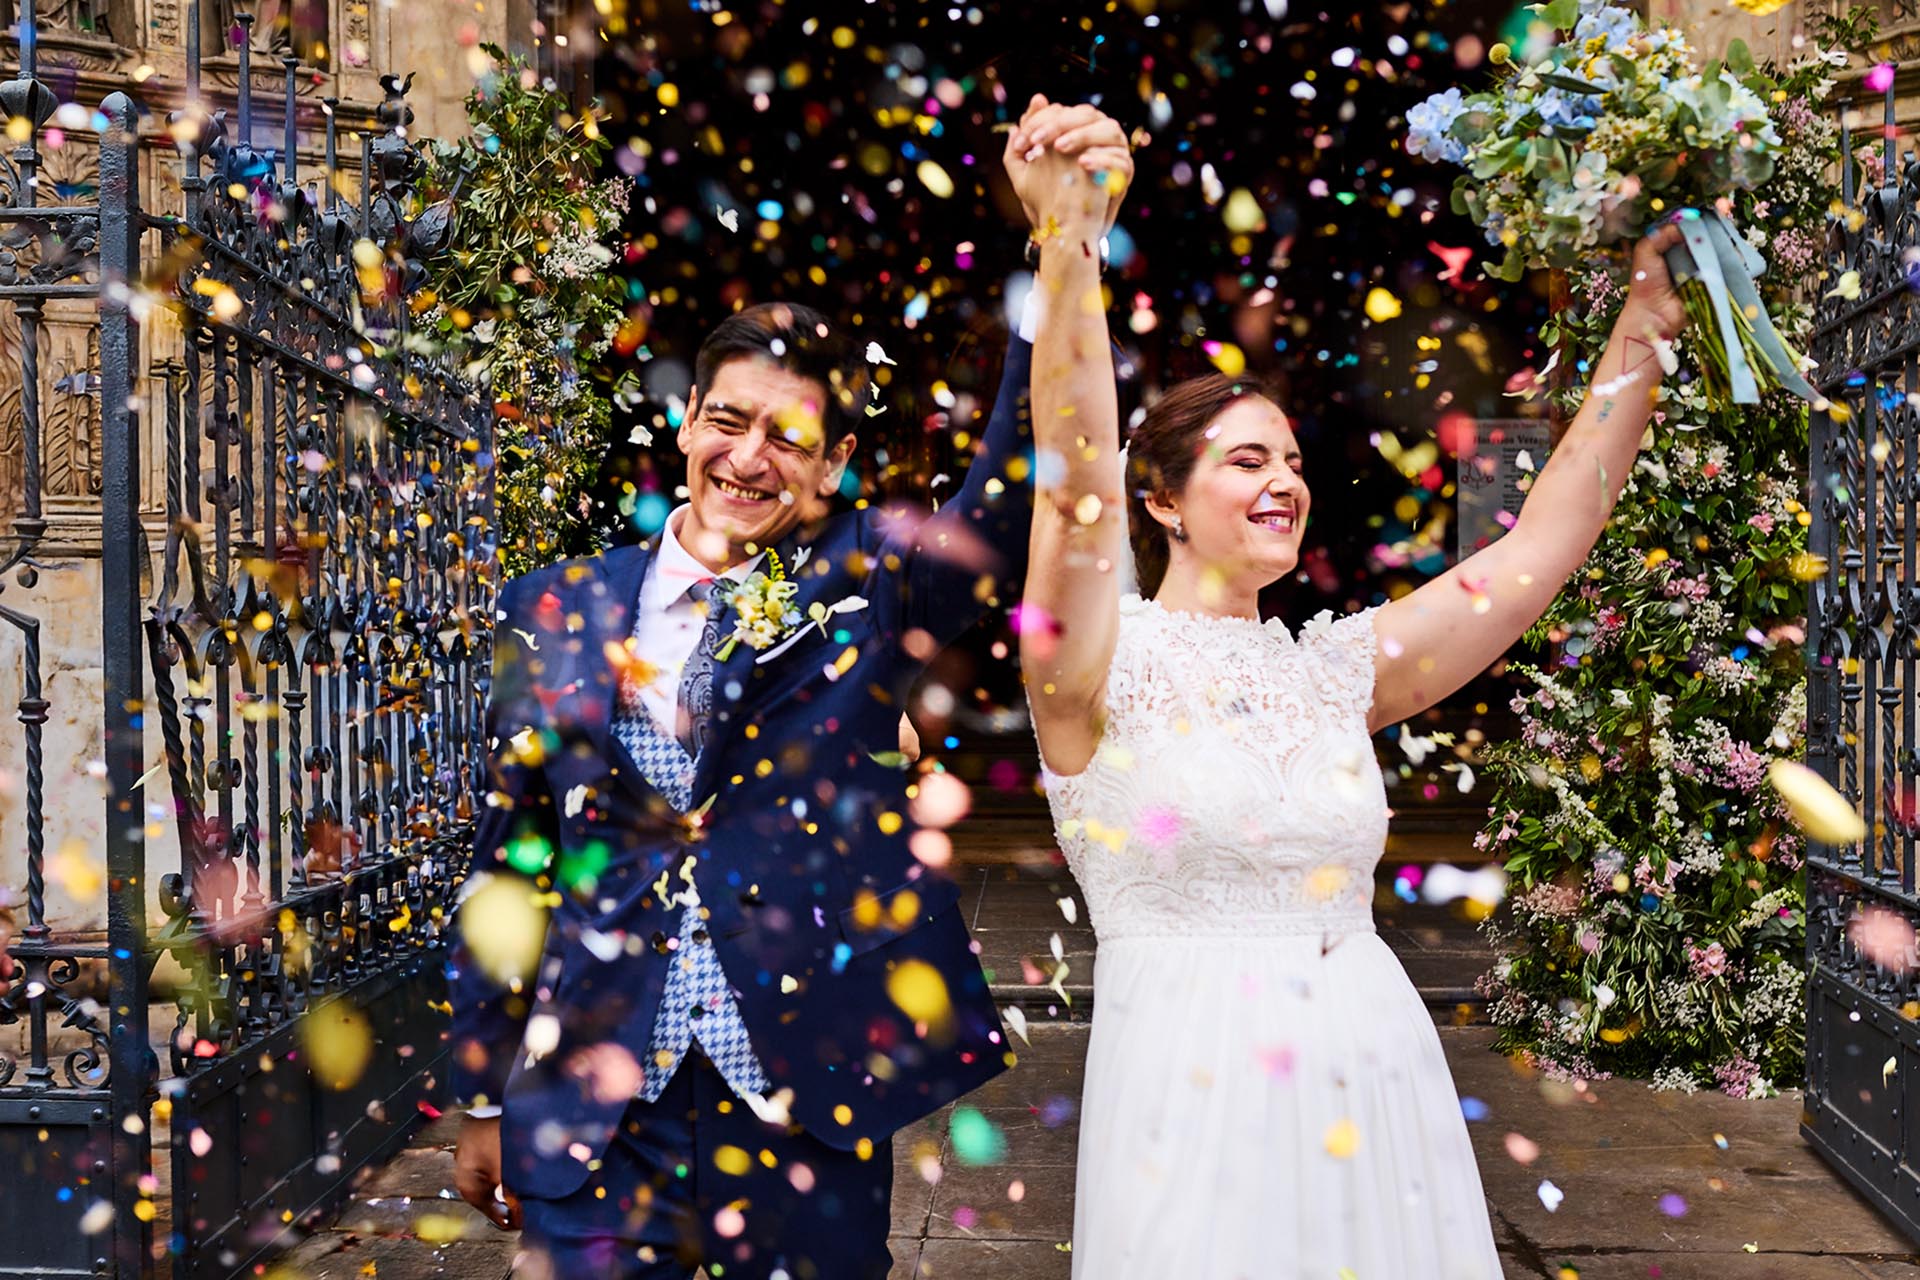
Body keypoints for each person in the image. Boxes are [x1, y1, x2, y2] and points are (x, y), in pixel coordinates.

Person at [446, 97, 1134, 1280]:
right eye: (727, 421)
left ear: (832, 468)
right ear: (685, 427)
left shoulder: (873, 582)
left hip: (805, 1093)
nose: (748, 458)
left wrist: (1057, 251)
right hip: (596, 1108)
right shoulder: (550, 605)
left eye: (790, 437)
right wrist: (472, 1087)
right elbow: (510, 854)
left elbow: (1018, 489)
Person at [1012, 111, 1688, 1277]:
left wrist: (1650, 316)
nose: (1285, 481)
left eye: (1293, 461)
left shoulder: (1334, 667)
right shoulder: (1094, 667)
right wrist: (1071, 248)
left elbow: (1545, 540)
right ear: (1161, 501)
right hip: (1190, 1090)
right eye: (1245, 459)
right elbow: (1073, 474)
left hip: (1373, 1079)